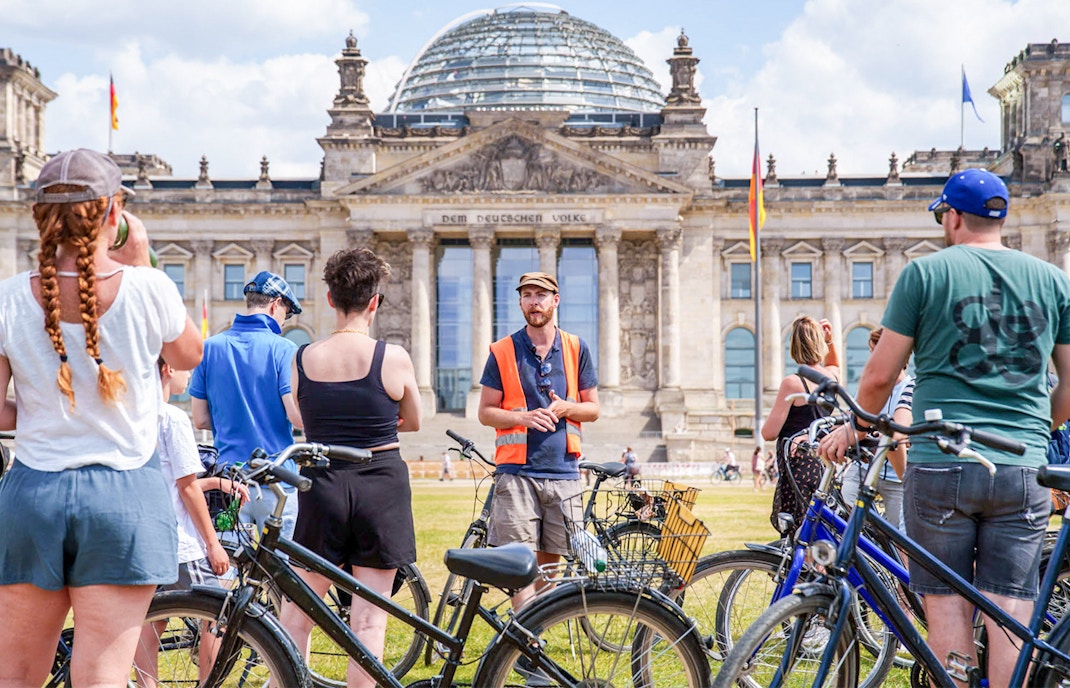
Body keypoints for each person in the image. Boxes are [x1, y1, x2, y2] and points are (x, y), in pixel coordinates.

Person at [820, 168, 1070, 688]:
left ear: (953, 217)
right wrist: (1034, 431)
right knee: (1009, 613)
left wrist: (858, 426)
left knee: (948, 609)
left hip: (940, 463)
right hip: (1024, 467)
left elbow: (880, 377)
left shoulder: (924, 274)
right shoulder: (1052, 280)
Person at [0, 149, 203, 686]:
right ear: (114, 215)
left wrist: (48, 411)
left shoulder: (7, 299)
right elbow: (188, 357)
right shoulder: (146, 286)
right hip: (123, 499)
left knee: (15, 675)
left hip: (31, 495)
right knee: (102, 676)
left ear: (39, 217)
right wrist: (140, 259)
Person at [278, 247, 421, 688]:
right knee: (368, 623)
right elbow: (413, 420)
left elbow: (299, 418)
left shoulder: (302, 358)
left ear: (328, 299)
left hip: (322, 484)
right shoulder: (392, 357)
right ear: (374, 301)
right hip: (381, 482)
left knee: (295, 618)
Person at [478, 271, 600, 608]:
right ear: (519, 302)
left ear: (555, 301)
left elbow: (593, 409)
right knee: (519, 564)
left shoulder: (577, 347)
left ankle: (538, 631)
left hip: (563, 471)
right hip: (516, 472)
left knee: (550, 566)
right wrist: (523, 417)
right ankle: (526, 645)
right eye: (527, 295)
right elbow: (486, 412)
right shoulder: (503, 351)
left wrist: (566, 408)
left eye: (541, 295)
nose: (534, 301)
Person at [135, 357, 249, 685]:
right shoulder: (172, 418)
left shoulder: (131, 415)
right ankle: (206, 683)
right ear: (168, 368)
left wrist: (212, 483)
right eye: (186, 368)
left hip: (145, 538)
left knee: (151, 620)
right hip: (182, 543)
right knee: (219, 612)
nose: (189, 376)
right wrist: (213, 544)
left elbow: (169, 483)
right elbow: (185, 488)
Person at [189, 269, 304, 538]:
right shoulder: (284, 349)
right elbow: (296, 416)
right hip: (276, 482)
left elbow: (200, 420)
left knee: (226, 570)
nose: (284, 322)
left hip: (229, 482)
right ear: (276, 304)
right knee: (281, 572)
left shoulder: (209, 347)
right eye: (286, 314)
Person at [761, 315, 840, 532]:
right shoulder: (831, 378)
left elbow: (769, 432)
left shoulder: (793, 383)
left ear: (794, 346)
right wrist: (830, 341)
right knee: (821, 528)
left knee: (800, 531)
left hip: (799, 466)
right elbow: (834, 364)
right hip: (823, 463)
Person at [838, 327, 913, 529]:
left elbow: (898, 431)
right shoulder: (871, 389)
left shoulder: (910, 388)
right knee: (843, 516)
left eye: (876, 353)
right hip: (864, 468)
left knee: (900, 541)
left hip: (896, 477)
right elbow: (849, 416)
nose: (872, 360)